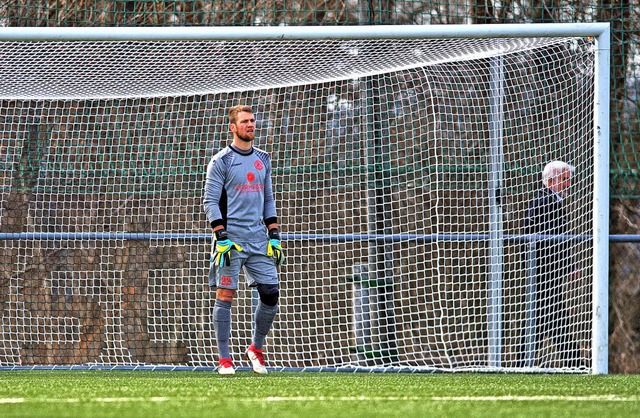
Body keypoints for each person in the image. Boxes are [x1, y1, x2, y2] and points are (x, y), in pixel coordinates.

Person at [203, 104, 284, 375]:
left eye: (252, 121)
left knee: (271, 294)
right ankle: (225, 359)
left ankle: (256, 348)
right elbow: (210, 202)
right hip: (231, 240)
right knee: (225, 295)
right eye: (244, 121)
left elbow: (268, 199)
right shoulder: (221, 161)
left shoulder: (263, 158)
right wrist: (221, 235)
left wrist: (274, 234)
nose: (250, 125)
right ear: (233, 127)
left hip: (259, 238)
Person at [524, 160, 581, 368]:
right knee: (550, 320)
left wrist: (568, 266)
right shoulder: (543, 202)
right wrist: (566, 266)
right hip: (545, 272)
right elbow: (551, 241)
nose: (568, 184)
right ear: (551, 180)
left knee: (550, 320)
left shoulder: (551, 201)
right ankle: (574, 363)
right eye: (565, 179)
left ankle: (573, 362)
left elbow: (559, 239)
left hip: (547, 272)